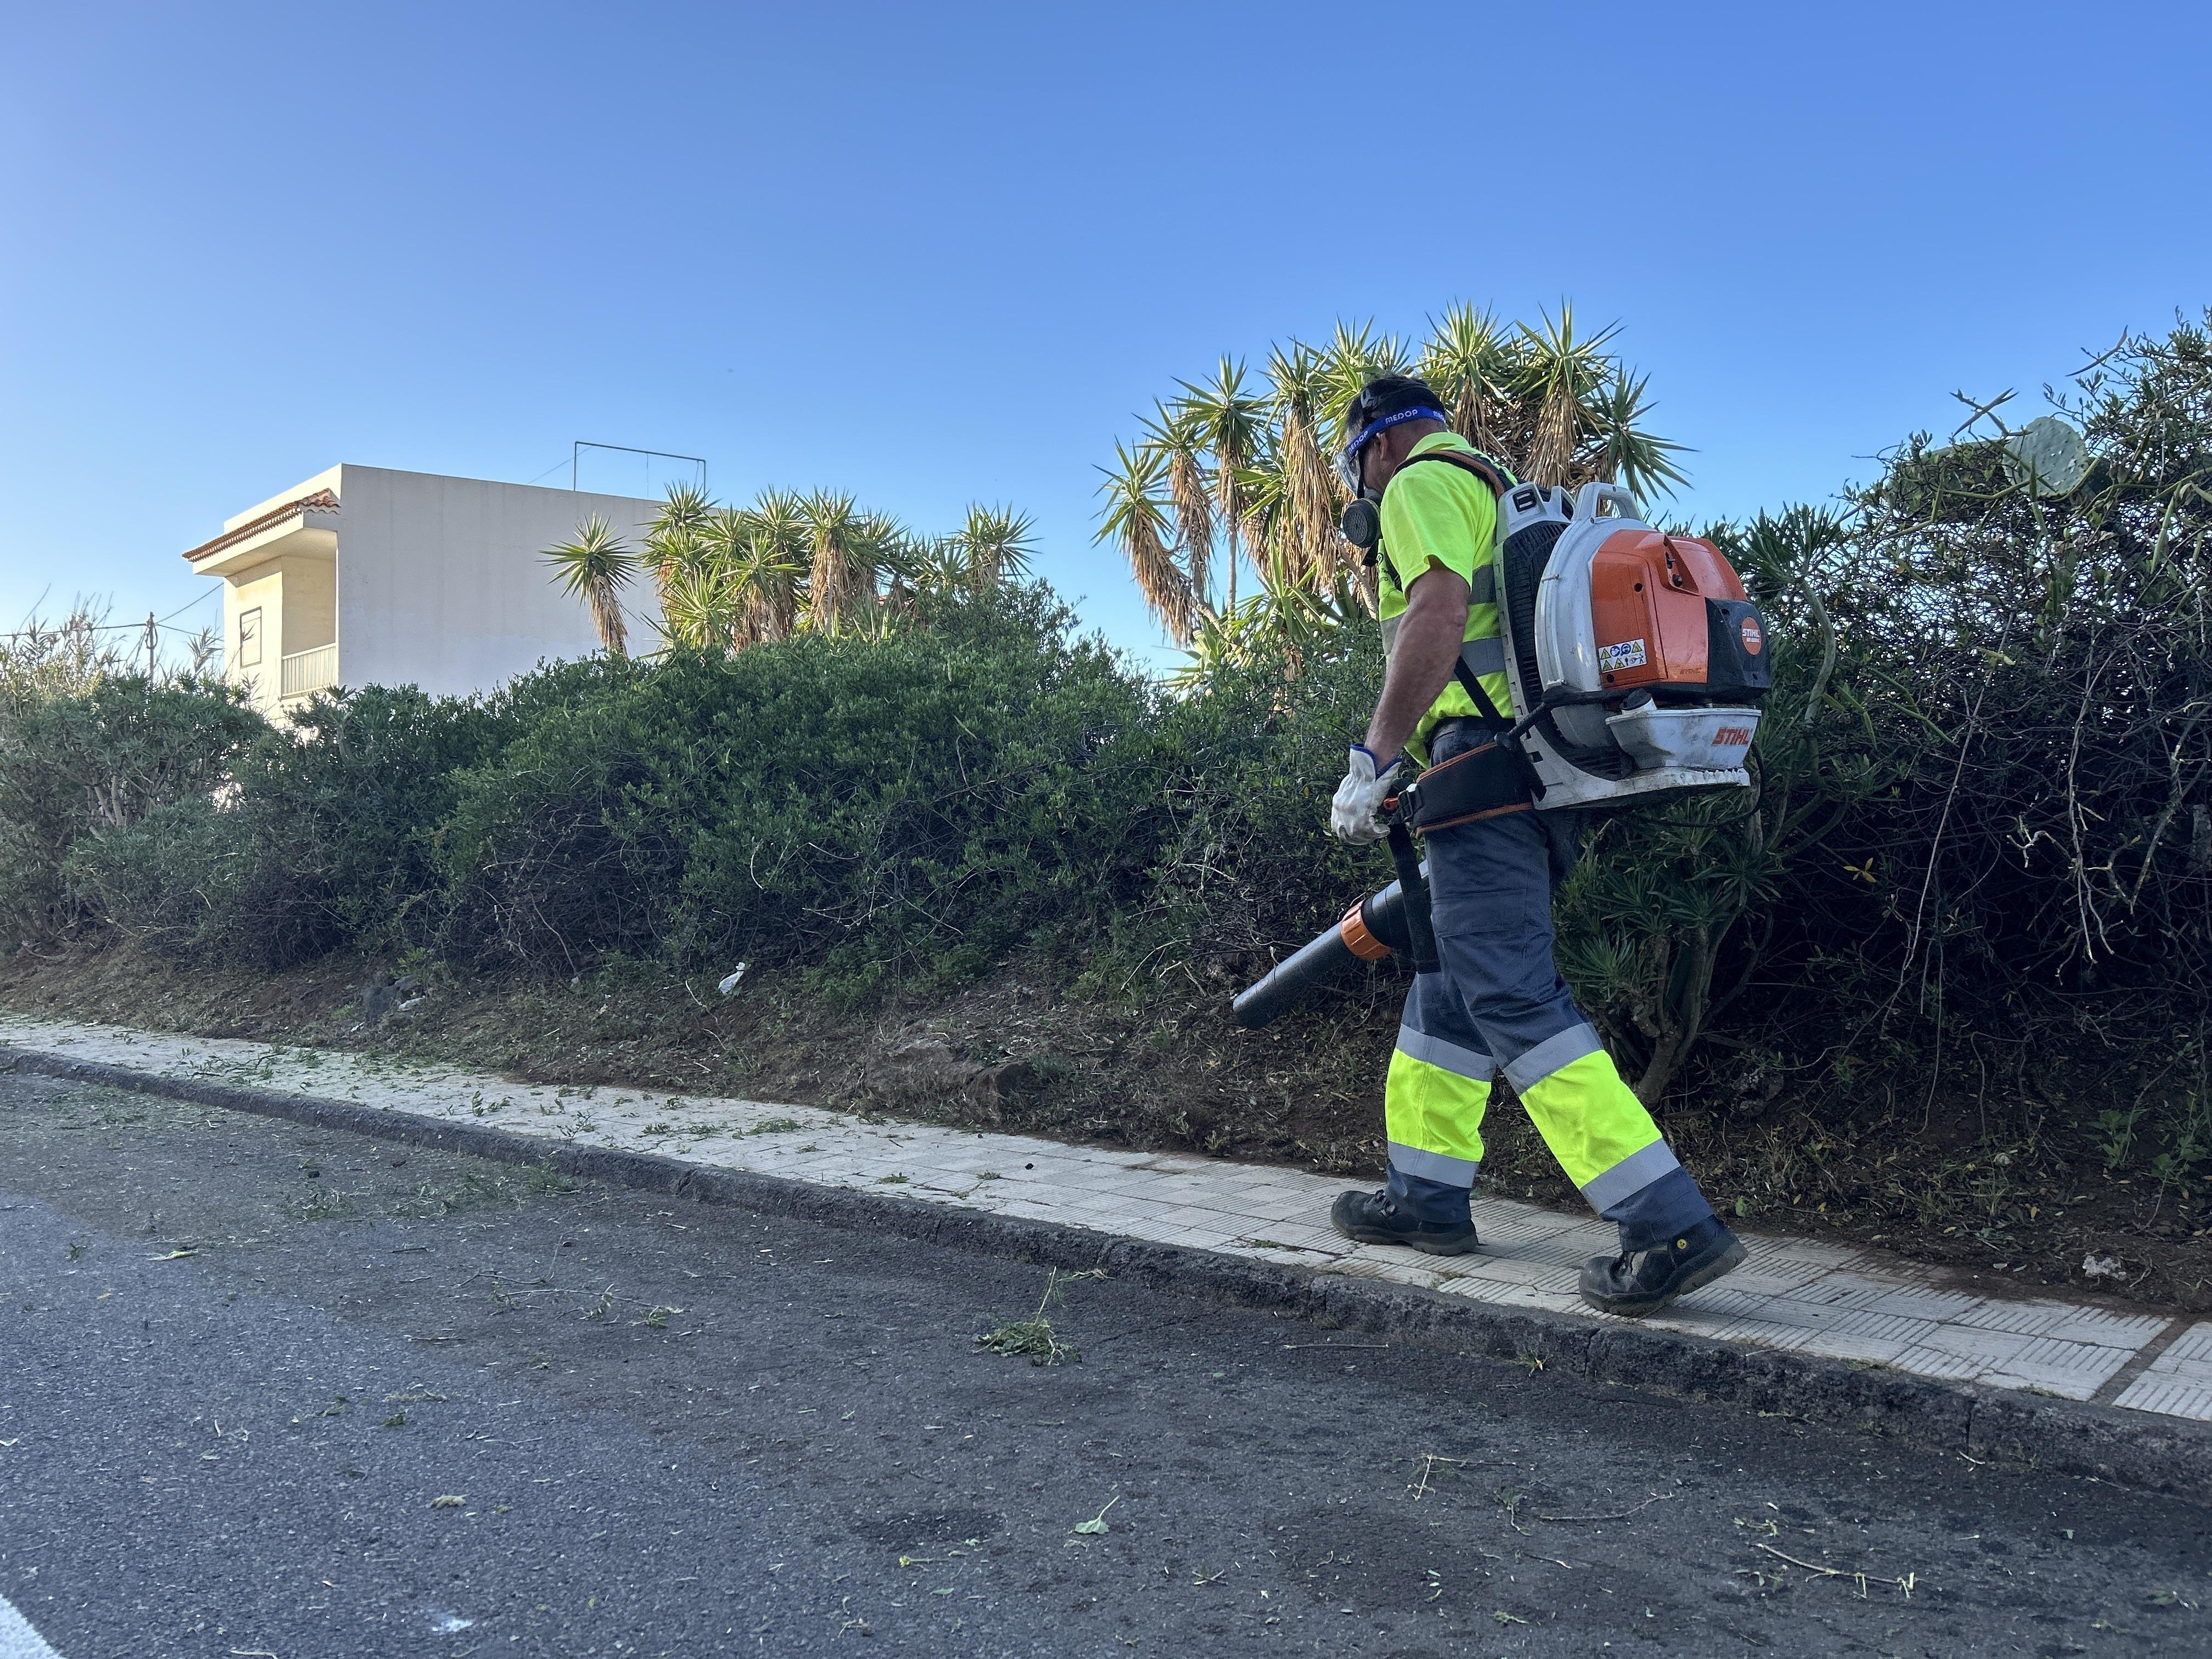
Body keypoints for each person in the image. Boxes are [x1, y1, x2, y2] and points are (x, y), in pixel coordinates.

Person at [1324, 374, 1746, 1317]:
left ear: (1380, 445)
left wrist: (1375, 755)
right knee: (1450, 979)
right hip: (1542, 774)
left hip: (1483, 767)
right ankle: (1424, 1198)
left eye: (1358, 466)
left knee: (1510, 989)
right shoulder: (1504, 489)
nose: (1362, 486)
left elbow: (1434, 614)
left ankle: (1667, 1220)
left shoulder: (1419, 483)